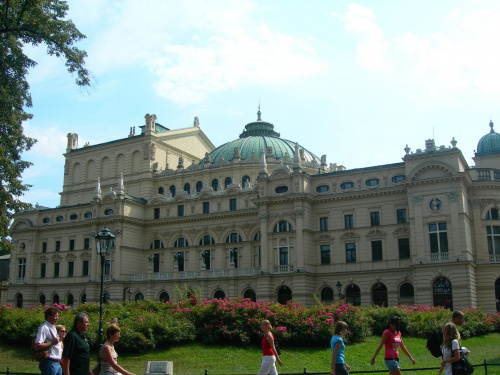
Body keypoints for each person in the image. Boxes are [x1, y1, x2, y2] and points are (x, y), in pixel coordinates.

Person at [34, 307, 63, 375]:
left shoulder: (53, 327)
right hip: (49, 362)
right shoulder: (44, 328)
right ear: (48, 317)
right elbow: (37, 346)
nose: (57, 318)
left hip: (57, 362)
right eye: (55, 316)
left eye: (57, 316)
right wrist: (52, 343)